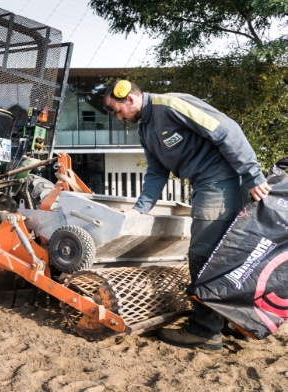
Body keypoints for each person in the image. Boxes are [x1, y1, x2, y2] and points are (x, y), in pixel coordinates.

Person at [103, 80, 271, 350]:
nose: (118, 116)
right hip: (204, 183)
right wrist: (140, 209)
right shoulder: (146, 131)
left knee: (203, 255)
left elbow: (226, 130)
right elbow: (157, 172)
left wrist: (252, 174)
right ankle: (230, 319)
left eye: (116, 110)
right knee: (224, 254)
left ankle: (205, 331)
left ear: (130, 100)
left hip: (222, 180)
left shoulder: (170, 105)